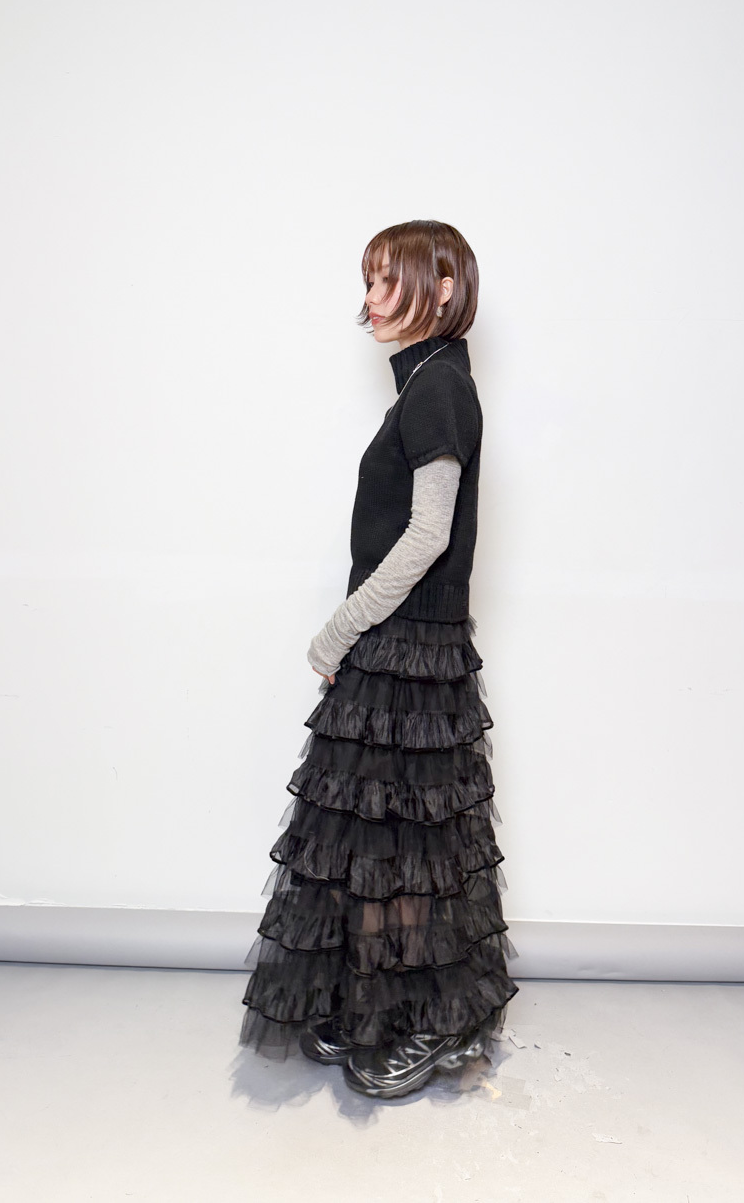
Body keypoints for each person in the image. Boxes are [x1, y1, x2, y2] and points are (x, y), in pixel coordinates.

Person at [240, 219, 518, 1098]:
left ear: (443, 288)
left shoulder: (439, 389)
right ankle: (382, 1009)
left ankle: (430, 1020)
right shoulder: (427, 383)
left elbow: (429, 534)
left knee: (413, 844)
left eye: (386, 279)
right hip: (399, 645)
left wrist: (339, 629)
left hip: (412, 649)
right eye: (367, 281)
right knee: (383, 837)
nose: (370, 298)